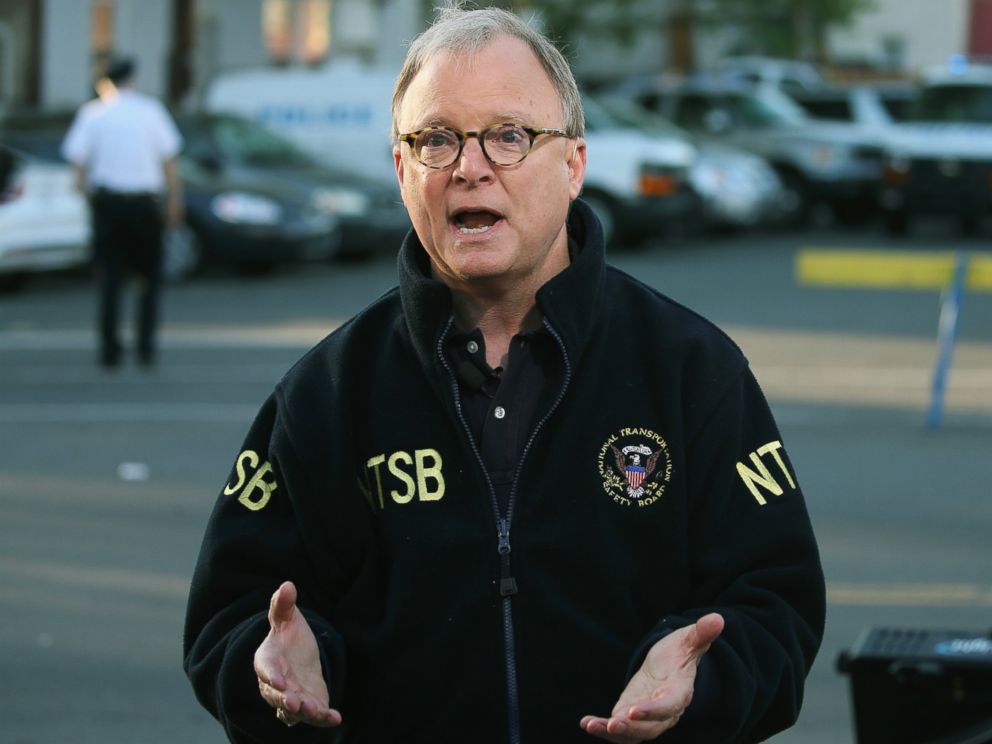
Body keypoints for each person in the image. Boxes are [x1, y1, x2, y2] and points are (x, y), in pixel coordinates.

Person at [183, 5, 825, 743]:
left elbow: (778, 606)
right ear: (401, 171)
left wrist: (703, 684)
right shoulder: (325, 393)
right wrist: (275, 672)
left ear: (575, 164)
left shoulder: (691, 369)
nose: (470, 165)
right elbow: (228, 620)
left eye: (511, 136)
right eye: (436, 139)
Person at [61, 58, 184, 368]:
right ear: (132, 79)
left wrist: (93, 196)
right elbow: (169, 161)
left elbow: (77, 166)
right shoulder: (150, 110)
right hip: (144, 204)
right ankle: (146, 349)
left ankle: (110, 352)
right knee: (149, 281)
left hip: (109, 204)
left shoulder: (93, 113)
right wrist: (173, 202)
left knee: (110, 281)